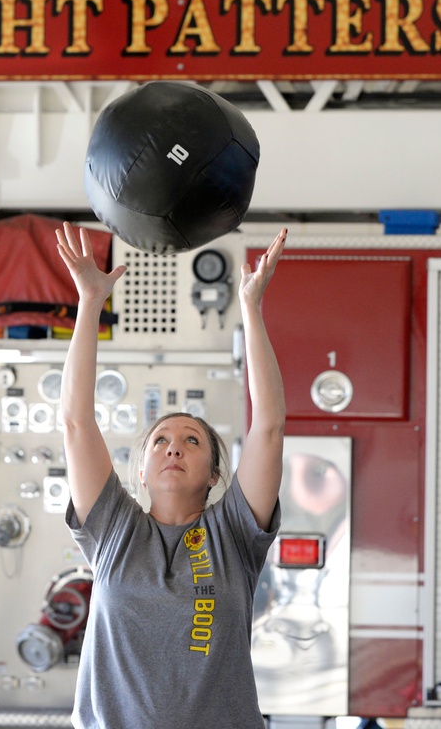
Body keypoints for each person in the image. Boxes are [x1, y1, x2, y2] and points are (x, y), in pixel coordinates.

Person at [55, 221, 287, 729]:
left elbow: (268, 427)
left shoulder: (233, 535)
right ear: (140, 470)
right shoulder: (115, 528)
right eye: (159, 440)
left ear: (213, 474)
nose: (173, 448)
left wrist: (251, 307)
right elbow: (75, 423)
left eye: (191, 441)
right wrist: (90, 302)